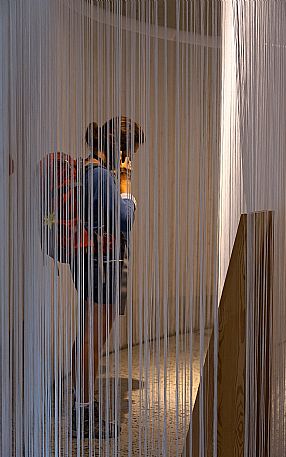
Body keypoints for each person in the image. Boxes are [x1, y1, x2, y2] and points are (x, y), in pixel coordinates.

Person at [70, 117, 144, 439]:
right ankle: (84, 411)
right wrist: (126, 187)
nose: (129, 162)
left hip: (93, 263)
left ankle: (82, 401)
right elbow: (123, 223)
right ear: (121, 150)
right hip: (101, 265)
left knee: (89, 335)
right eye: (130, 154)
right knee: (93, 338)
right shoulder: (100, 176)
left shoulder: (90, 171)